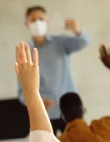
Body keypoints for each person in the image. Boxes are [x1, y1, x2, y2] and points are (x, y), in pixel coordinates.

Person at [18, 5, 90, 134]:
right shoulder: (25, 52)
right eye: (33, 20)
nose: (37, 23)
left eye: (41, 19)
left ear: (47, 22)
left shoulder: (60, 43)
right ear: (27, 24)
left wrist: (78, 30)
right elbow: (22, 90)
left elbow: (83, 42)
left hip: (69, 110)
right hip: (44, 114)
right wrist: (34, 100)